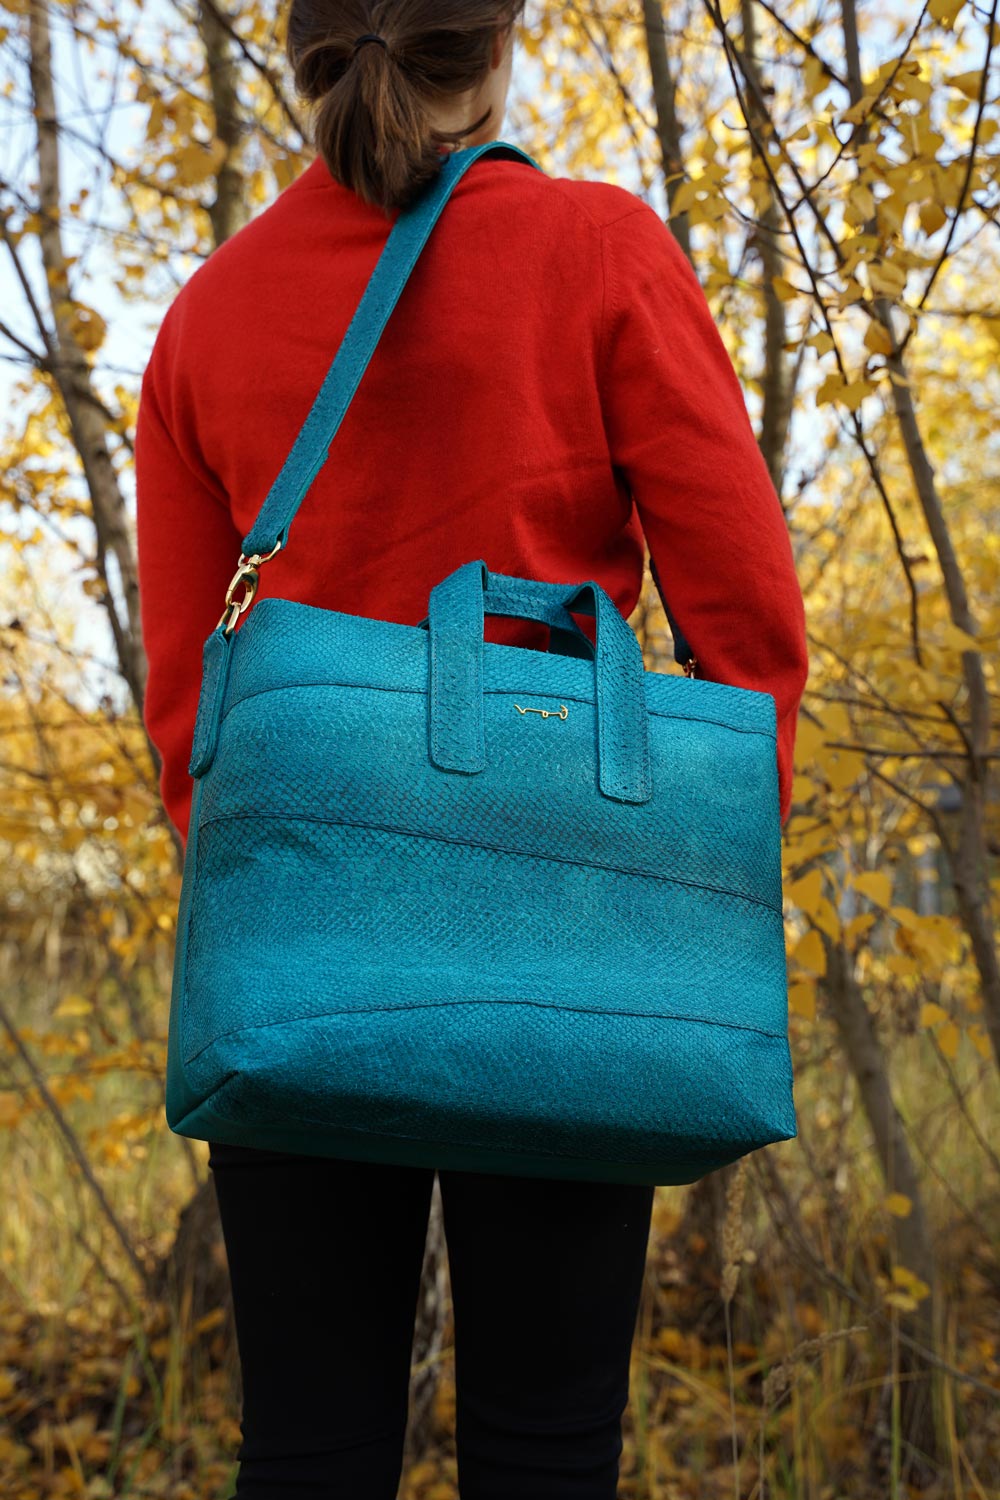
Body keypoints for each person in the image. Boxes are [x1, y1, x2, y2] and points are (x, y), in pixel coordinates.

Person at [134, 0, 810, 1494]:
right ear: (499, 47)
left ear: (305, 61)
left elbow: (191, 704)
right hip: (572, 929)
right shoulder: (601, 252)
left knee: (306, 1446)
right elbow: (749, 623)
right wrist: (687, 878)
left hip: (296, 943)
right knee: (547, 1447)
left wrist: (272, 880)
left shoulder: (208, 318)